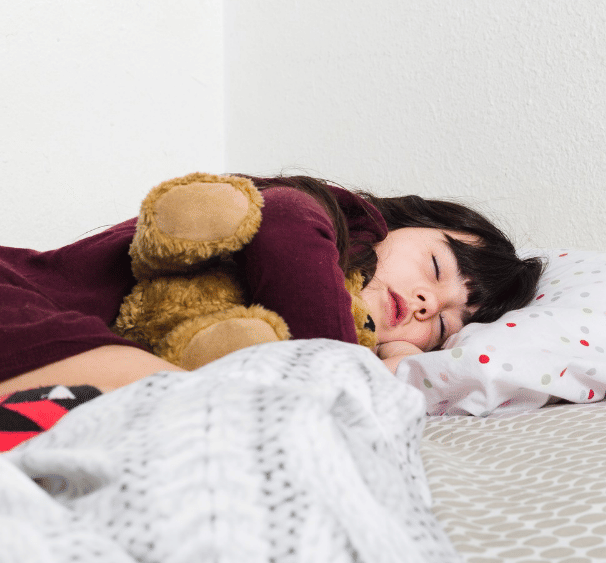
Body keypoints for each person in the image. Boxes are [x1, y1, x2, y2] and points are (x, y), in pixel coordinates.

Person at [0, 174, 544, 448]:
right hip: (22, 300)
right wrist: (353, 369)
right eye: (435, 266)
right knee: (183, 406)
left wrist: (395, 362)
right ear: (398, 223)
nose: (427, 303)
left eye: (444, 323)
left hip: (61, 350)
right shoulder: (334, 216)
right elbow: (284, 220)